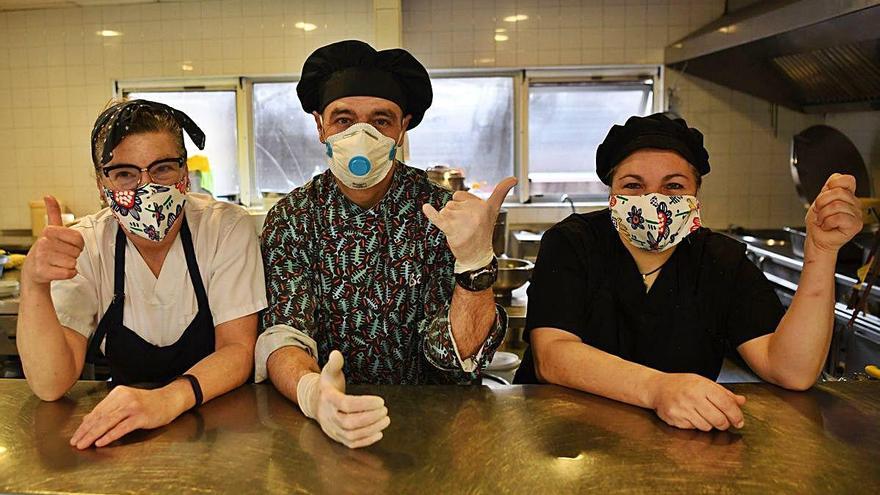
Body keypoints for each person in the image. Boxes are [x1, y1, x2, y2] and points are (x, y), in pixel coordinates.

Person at [514, 113, 862, 432]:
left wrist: (822, 251)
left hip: (676, 446)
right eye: (633, 185)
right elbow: (553, 356)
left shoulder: (720, 261)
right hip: (562, 441)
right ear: (611, 195)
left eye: (673, 186)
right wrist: (658, 388)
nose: (654, 200)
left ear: (696, 194)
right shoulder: (573, 244)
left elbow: (791, 370)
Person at [257, 40, 513, 448]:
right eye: (343, 120)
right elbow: (285, 334)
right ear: (320, 125)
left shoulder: (441, 215)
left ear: (403, 128)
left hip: (439, 429)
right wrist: (312, 393)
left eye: (381, 120)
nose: (363, 135)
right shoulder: (293, 219)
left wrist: (475, 263)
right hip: (326, 427)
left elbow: (459, 359)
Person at [17, 99, 267, 449]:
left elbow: (238, 349)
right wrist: (34, 284)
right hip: (125, 436)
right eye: (124, 174)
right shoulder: (87, 244)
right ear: (101, 184)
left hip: (224, 429)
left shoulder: (224, 228)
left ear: (186, 173)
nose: (146, 188)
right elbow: (50, 383)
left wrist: (167, 400)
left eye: (162, 169)